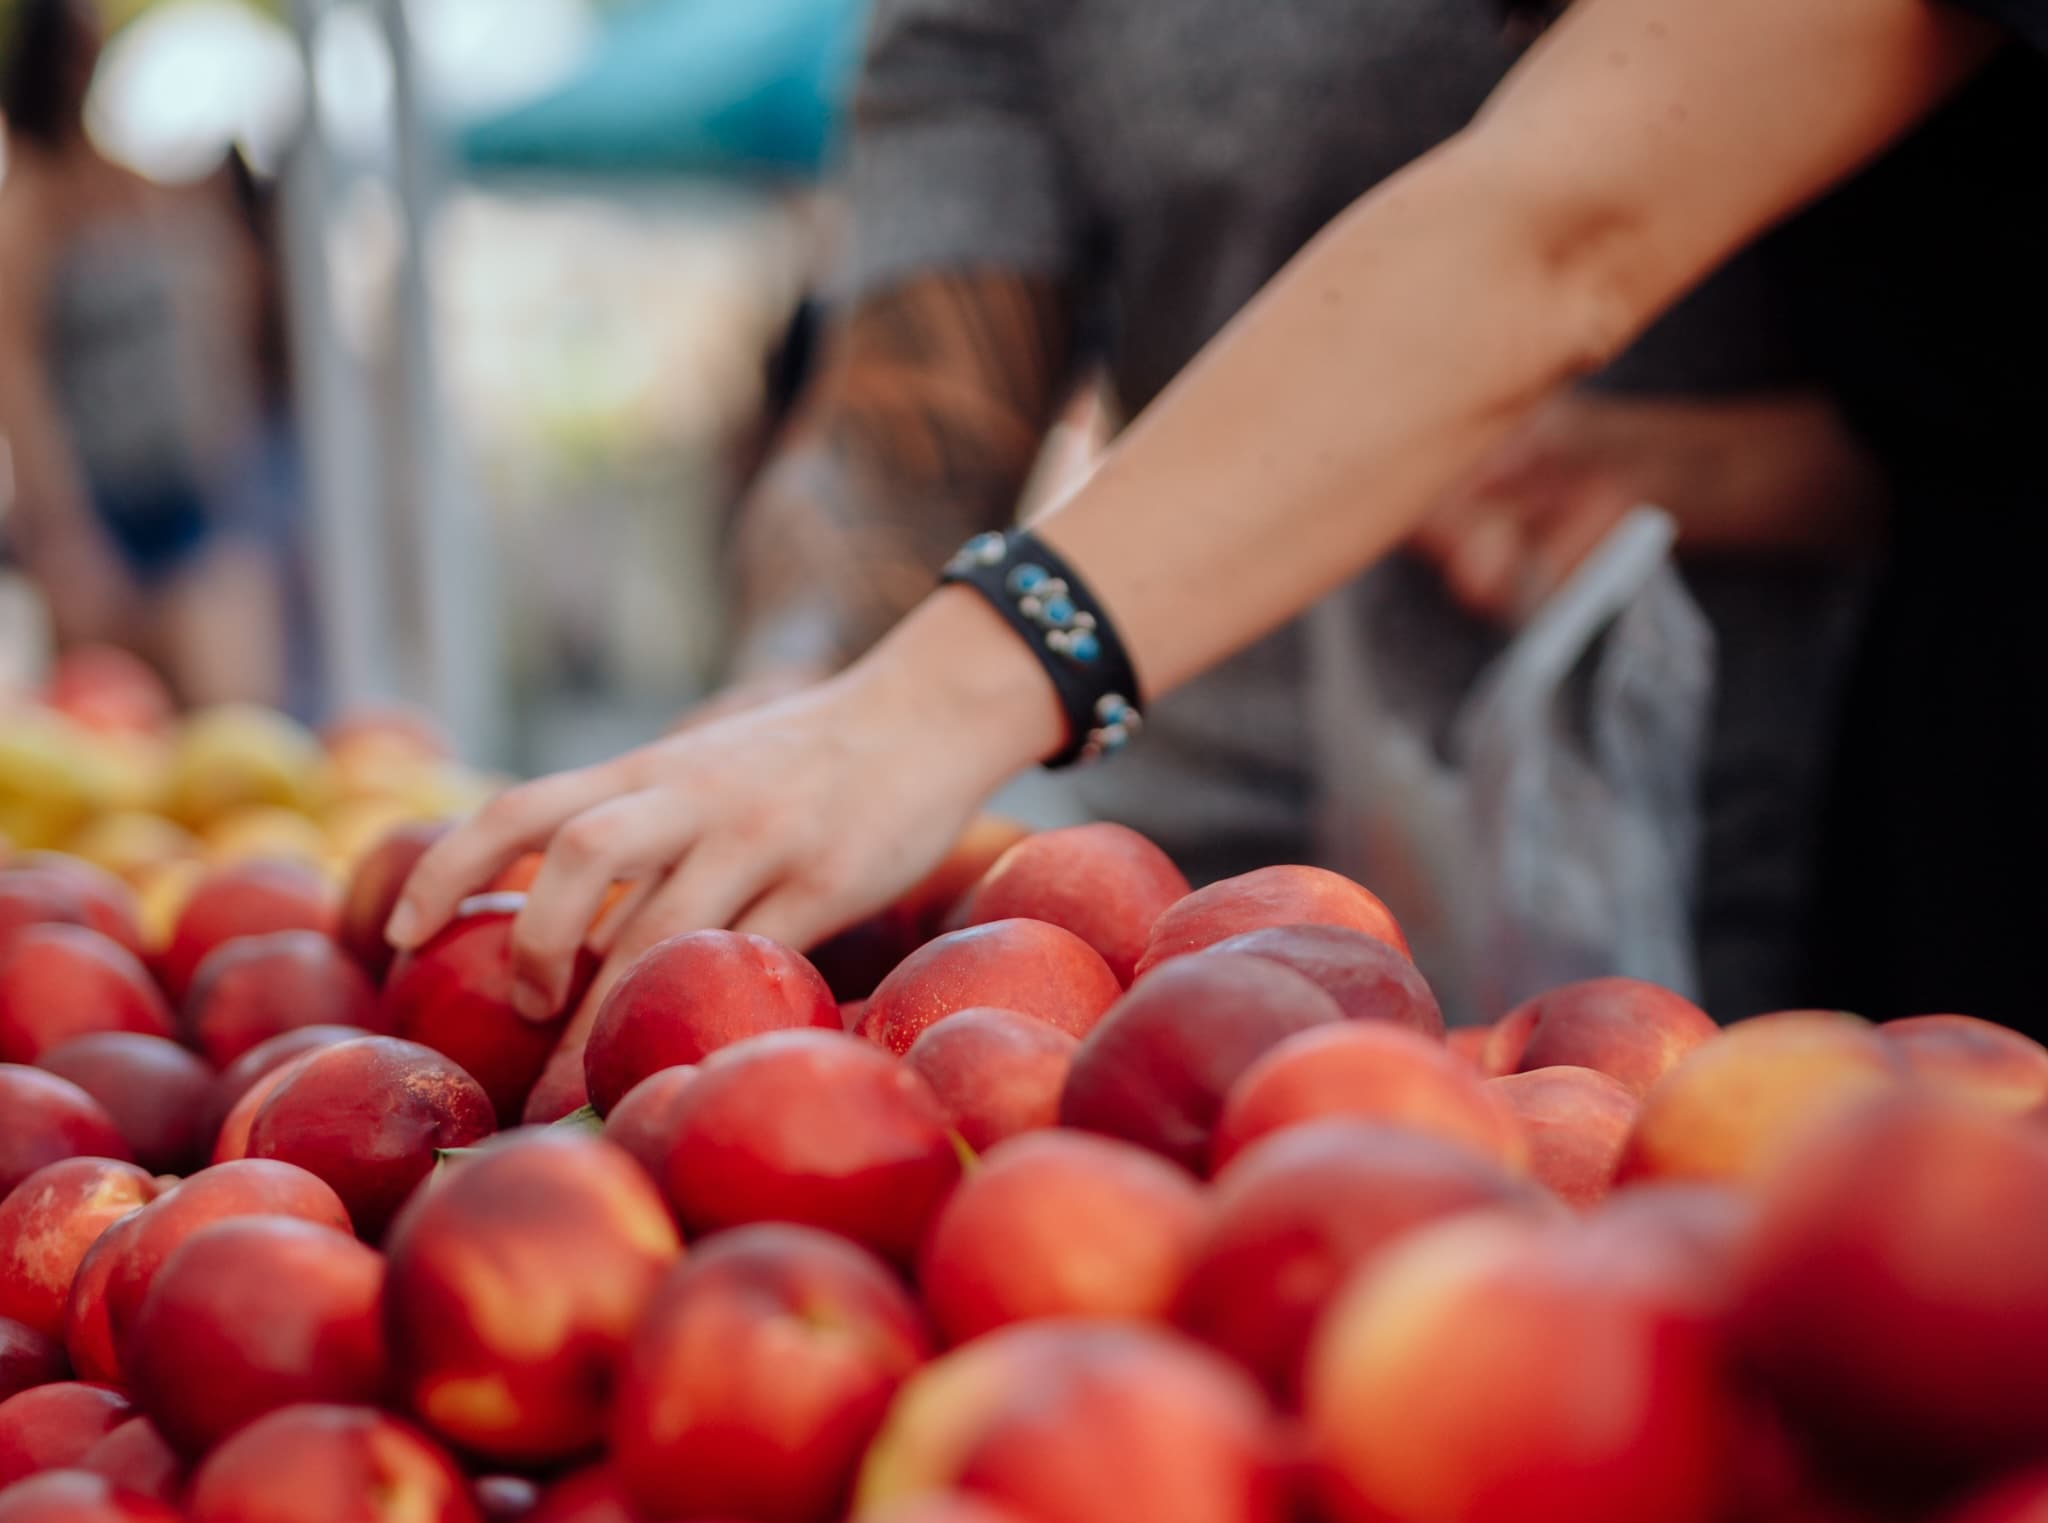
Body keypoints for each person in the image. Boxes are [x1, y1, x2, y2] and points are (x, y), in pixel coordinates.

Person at [393, 0, 2046, 1045]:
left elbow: (1561, 227)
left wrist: (932, 701)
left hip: (1744, 867)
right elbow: (903, 410)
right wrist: (800, 691)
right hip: (1177, 938)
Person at [0, 0, 286, 706]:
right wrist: (62, 531)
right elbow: (16, 372)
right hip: (96, 505)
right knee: (126, 733)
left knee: (235, 716)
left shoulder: (124, 178)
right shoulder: (29, 201)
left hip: (186, 490)